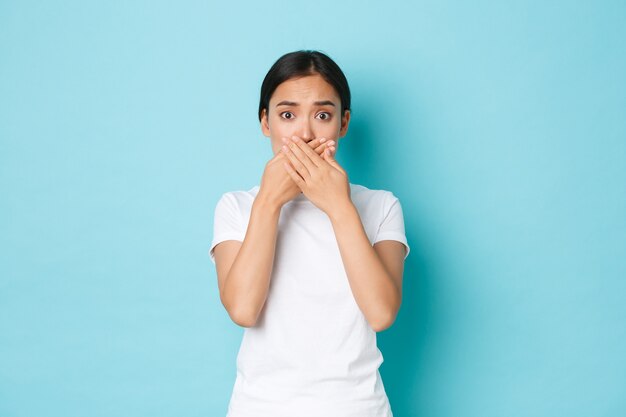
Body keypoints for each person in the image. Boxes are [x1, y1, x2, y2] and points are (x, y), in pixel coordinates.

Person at [209, 50, 410, 417]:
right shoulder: (237, 206)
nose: (303, 133)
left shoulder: (380, 206)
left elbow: (381, 313)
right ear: (265, 122)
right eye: (287, 115)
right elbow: (242, 309)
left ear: (343, 124)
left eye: (322, 115)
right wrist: (269, 202)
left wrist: (338, 206)